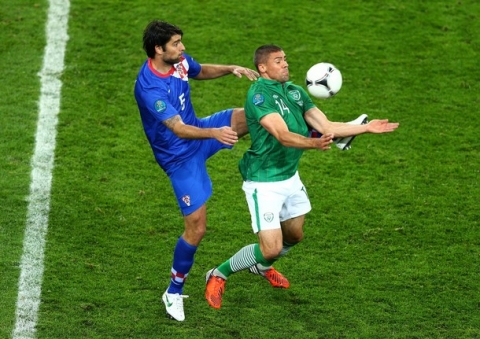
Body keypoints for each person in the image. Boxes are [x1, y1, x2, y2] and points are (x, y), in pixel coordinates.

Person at [204, 44, 399, 309]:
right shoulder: (259, 96)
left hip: (289, 177)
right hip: (264, 181)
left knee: (294, 236)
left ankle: (261, 267)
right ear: (262, 67)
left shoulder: (295, 92)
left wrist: (364, 128)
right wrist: (314, 144)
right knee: (271, 247)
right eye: (278, 61)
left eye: (285, 59)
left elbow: (326, 126)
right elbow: (283, 135)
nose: (285, 64)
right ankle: (218, 274)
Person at [133, 20, 259, 321]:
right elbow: (177, 129)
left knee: (255, 115)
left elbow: (199, 70)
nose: (183, 48)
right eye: (176, 43)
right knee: (197, 228)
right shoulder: (149, 88)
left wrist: (230, 68)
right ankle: (173, 291)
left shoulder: (177, 61)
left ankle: (323, 134)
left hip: (200, 129)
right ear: (158, 49)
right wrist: (215, 133)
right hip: (179, 157)